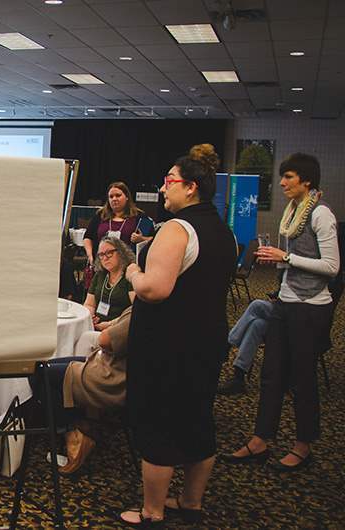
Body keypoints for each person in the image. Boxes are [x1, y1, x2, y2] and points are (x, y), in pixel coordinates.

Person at [121, 144, 236, 525]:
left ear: (190, 187)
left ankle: (152, 511)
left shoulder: (177, 228)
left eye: (169, 181)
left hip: (169, 345)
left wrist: (132, 273)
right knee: (197, 420)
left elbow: (155, 289)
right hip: (207, 341)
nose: (162, 188)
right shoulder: (223, 231)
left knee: (159, 423)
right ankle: (190, 502)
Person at [225, 153, 339, 472]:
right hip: (285, 303)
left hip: (310, 308)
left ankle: (303, 446)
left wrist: (286, 258)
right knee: (271, 375)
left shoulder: (321, 214)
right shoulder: (291, 211)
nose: (283, 183)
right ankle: (260, 440)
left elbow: (332, 266)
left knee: (302, 380)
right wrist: (278, 262)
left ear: (307, 180)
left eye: (289, 177)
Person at [49, 305, 132, 475]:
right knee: (50, 366)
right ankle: (82, 424)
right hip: (117, 370)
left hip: (111, 378)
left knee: (42, 374)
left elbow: (104, 340)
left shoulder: (146, 311)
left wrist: (108, 328)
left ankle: (72, 434)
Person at [83, 181, 154, 267]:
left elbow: (154, 239)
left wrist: (141, 238)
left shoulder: (139, 216)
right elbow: (88, 237)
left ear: (127, 197)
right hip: (101, 264)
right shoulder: (100, 215)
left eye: (118, 195)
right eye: (111, 196)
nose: (114, 199)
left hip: (128, 265)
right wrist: (90, 255)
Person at [216, 299, 277, 395]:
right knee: (257, 325)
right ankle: (239, 377)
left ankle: (227, 344)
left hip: (295, 317)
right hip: (284, 310)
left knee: (256, 305)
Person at [83, 236, 135, 331]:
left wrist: (110, 324)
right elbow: (89, 304)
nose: (105, 258)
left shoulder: (130, 275)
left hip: (120, 326)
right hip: (98, 324)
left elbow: (135, 310)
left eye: (109, 253)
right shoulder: (100, 275)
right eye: (101, 255)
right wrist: (90, 317)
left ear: (121, 253)